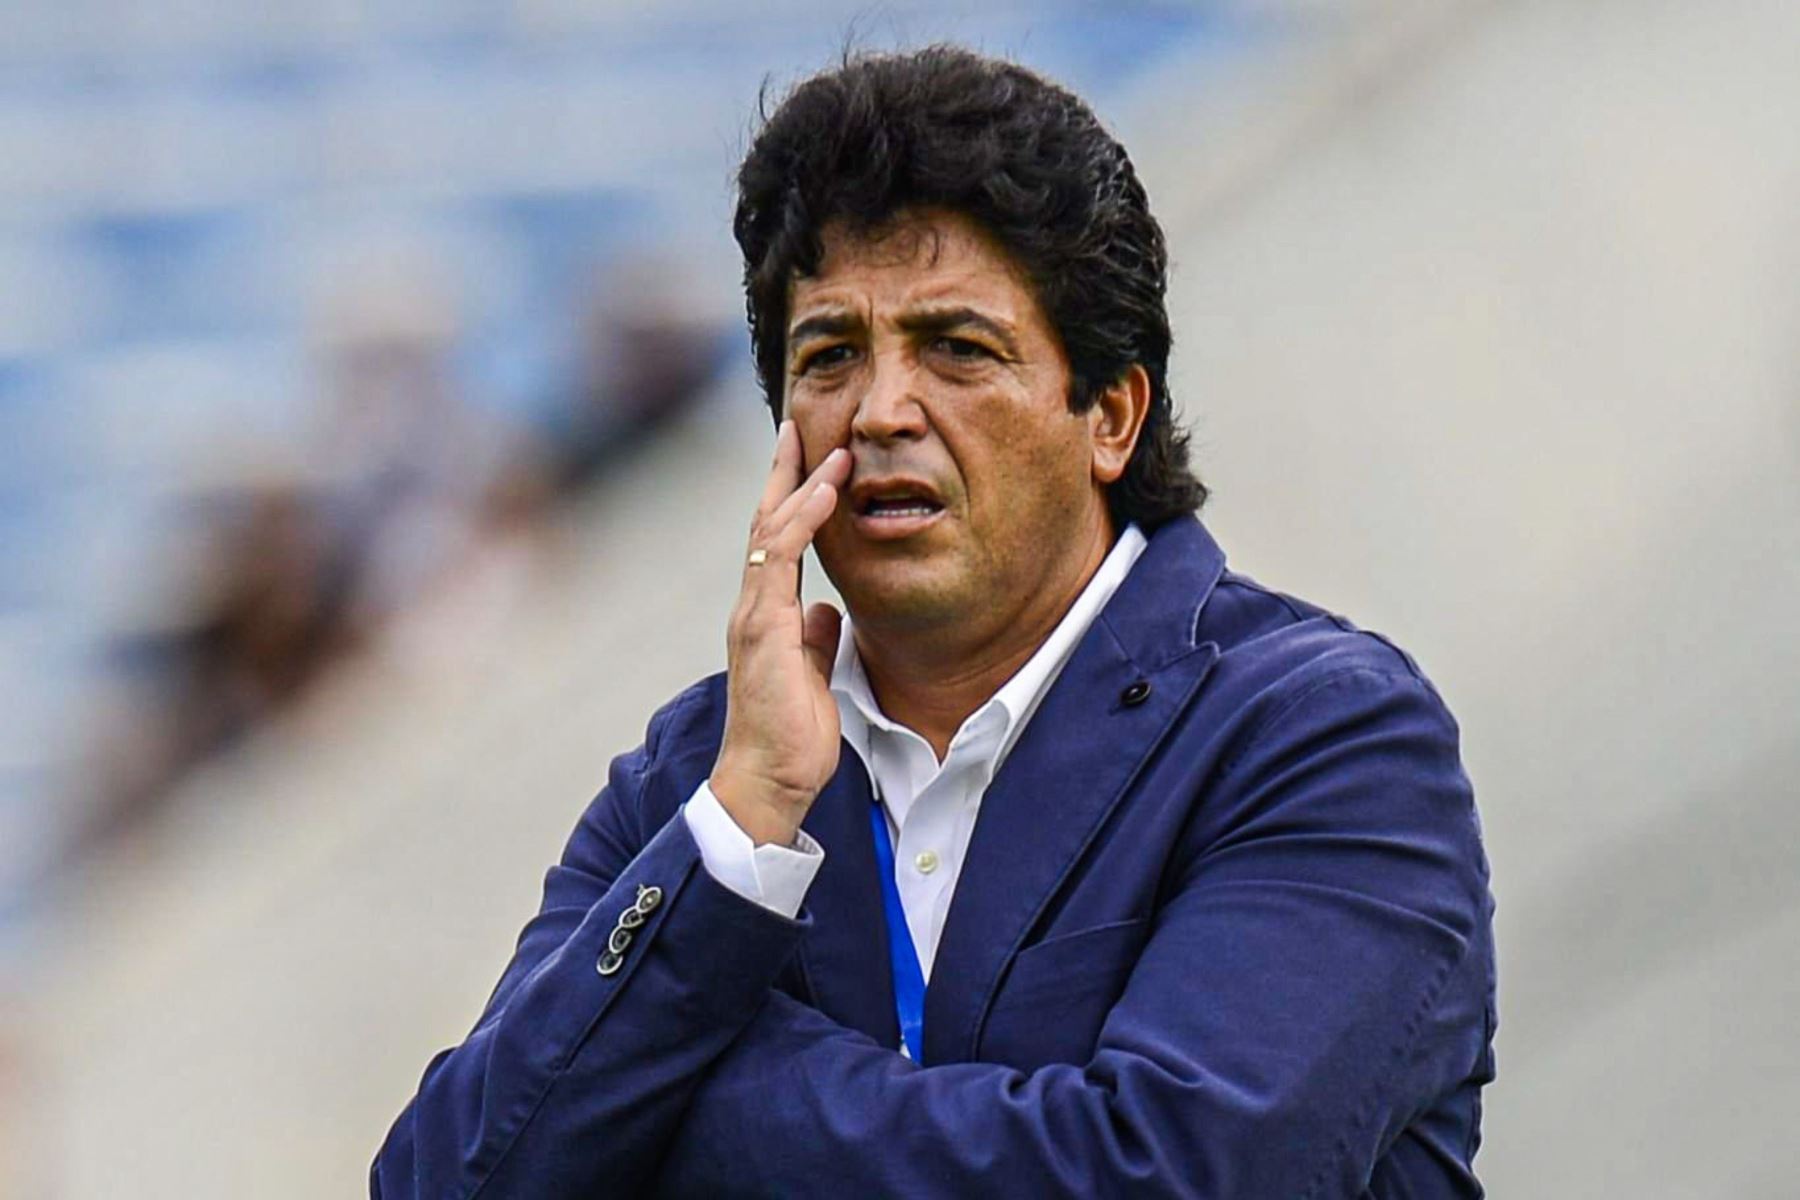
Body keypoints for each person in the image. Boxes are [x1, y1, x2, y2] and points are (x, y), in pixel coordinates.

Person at [372, 46, 1496, 1198]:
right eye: (830, 356)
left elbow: (1173, 1178)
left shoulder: (1320, 737)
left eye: (956, 348)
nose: (882, 409)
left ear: (1110, 413)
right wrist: (747, 824)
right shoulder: (698, 786)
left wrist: (679, 1087)